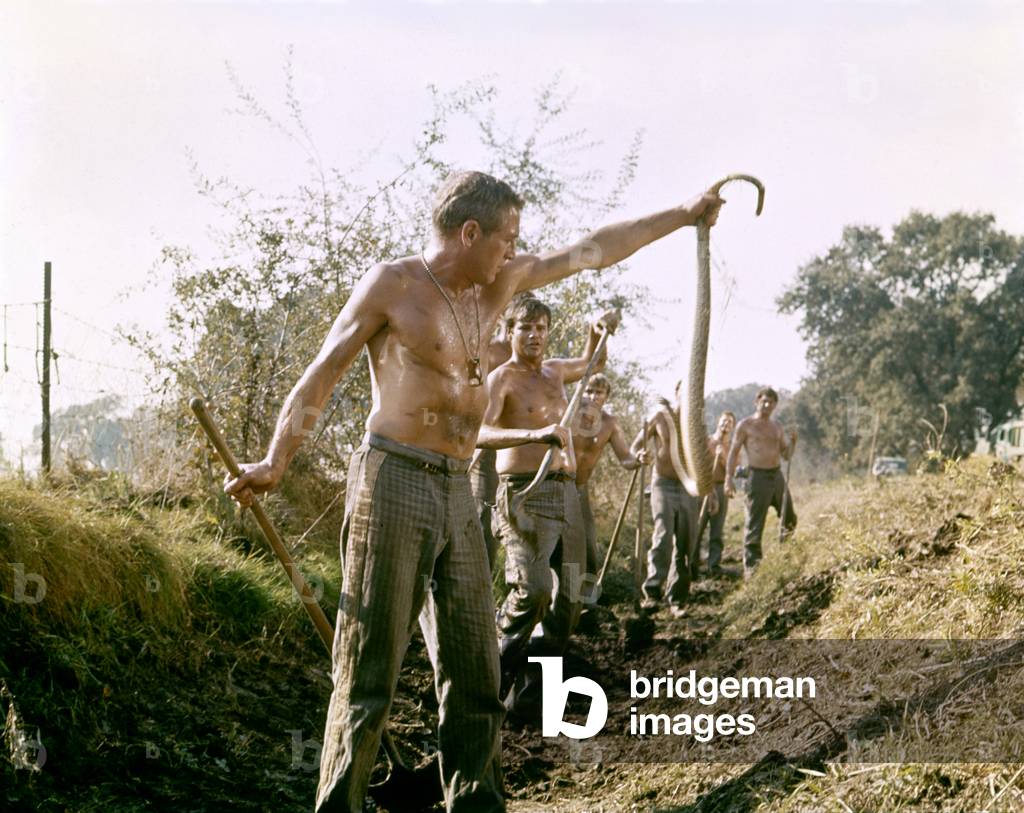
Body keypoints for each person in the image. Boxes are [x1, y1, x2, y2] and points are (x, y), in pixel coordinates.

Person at [223, 169, 725, 813]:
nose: (515, 251)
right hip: (393, 478)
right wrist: (274, 459)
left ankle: (476, 802)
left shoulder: (502, 285)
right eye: (507, 238)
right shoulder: (393, 285)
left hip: (458, 490)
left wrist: (683, 213)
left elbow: (595, 248)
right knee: (369, 676)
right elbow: (322, 373)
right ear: (469, 232)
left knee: (476, 670)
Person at [476, 295, 616, 720]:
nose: (535, 336)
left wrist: (597, 328)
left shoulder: (555, 371)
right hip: (523, 495)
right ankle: (487, 683)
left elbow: (595, 362)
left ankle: (530, 697)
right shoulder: (501, 379)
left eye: (541, 328)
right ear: (510, 332)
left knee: (570, 600)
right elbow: (476, 434)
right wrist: (535, 434)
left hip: (565, 493)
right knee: (534, 591)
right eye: (526, 328)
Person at [630, 387, 702, 617]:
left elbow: (704, 455)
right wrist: (640, 456)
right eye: (686, 390)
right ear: (678, 392)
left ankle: (677, 599)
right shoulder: (660, 416)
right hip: (662, 483)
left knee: (685, 544)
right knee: (663, 535)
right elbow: (635, 446)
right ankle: (652, 592)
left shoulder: (696, 422)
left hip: (688, 487)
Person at [571, 373, 642, 577]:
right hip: (555, 486)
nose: (593, 397)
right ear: (581, 393)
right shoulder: (568, 416)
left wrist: (638, 460)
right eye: (589, 391)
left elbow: (625, 458)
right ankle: (554, 603)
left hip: (580, 489)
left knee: (588, 546)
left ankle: (587, 603)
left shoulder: (610, 424)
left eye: (598, 392)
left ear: (606, 397)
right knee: (560, 547)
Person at [725, 387, 797, 576]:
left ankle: (785, 556)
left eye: (771, 402)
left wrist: (793, 442)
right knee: (755, 526)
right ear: (756, 402)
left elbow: (787, 455)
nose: (767, 405)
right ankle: (753, 571)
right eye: (764, 401)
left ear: (775, 405)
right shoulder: (746, 425)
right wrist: (728, 479)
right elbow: (733, 453)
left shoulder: (777, 427)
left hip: (776, 476)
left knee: (789, 517)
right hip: (756, 477)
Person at [694, 410, 736, 578]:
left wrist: (723, 456)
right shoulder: (707, 441)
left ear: (732, 427)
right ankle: (692, 565)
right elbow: (698, 463)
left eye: (729, 423)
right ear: (718, 422)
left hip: (721, 487)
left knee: (717, 529)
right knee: (698, 526)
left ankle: (714, 565)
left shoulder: (732, 447)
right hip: (704, 487)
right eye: (724, 421)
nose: (726, 425)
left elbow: (731, 471)